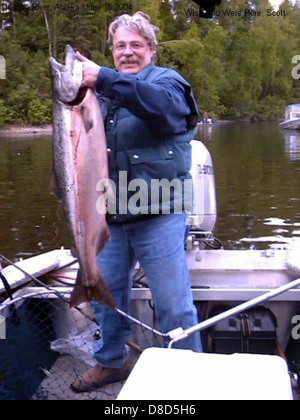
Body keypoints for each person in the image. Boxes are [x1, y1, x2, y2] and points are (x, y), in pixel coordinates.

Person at [71, 11, 202, 393]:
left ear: (151, 49)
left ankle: (184, 372)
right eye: (119, 46)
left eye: (135, 45)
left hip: (159, 213)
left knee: (174, 303)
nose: (127, 53)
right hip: (108, 215)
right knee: (103, 298)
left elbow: (163, 110)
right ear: (111, 51)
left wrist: (105, 79)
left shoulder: (166, 82)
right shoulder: (98, 96)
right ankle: (111, 361)